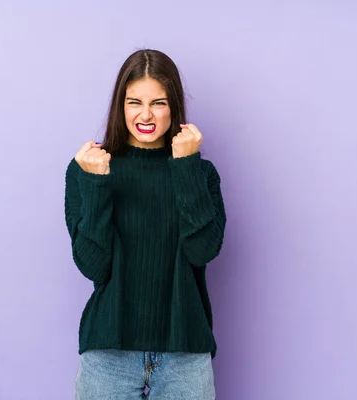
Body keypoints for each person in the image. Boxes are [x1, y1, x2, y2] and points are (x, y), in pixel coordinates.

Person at [64, 49, 226, 399]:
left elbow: (203, 251)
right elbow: (93, 265)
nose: (146, 115)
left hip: (185, 354)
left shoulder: (201, 173)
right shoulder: (87, 170)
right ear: (120, 106)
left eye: (159, 103)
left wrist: (185, 168)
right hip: (109, 354)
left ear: (175, 106)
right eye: (134, 102)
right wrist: (96, 184)